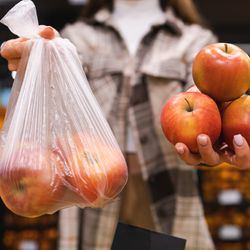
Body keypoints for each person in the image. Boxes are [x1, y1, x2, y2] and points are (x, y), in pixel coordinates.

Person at [1, 0, 250, 249]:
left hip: (167, 199)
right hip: (90, 194)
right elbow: (62, 90)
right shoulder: (79, 37)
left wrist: (213, 141)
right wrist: (47, 53)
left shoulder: (194, 40)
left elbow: (205, 106)